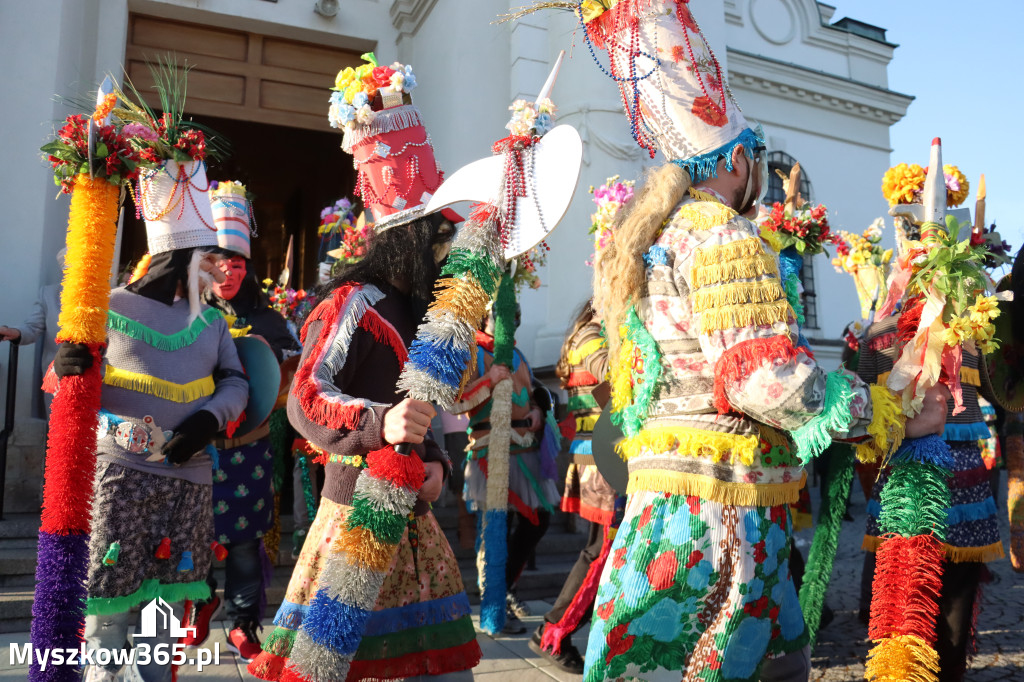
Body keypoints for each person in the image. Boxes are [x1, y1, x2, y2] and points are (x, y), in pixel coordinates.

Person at [551, 3, 946, 680]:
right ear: (738, 158)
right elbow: (765, 379)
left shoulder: (649, 241)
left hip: (661, 508)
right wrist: (889, 413)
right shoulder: (722, 234)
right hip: (719, 520)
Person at [247, 54, 480, 681]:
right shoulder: (354, 303)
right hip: (355, 519)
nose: (448, 250)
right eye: (439, 237)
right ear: (411, 237)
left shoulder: (429, 316)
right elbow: (305, 398)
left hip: (418, 526)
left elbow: (429, 419)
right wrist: (382, 421)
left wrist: (438, 465)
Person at [61, 155, 249, 682]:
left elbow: (236, 382)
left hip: (187, 482)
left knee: (161, 623)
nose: (216, 269)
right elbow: (65, 388)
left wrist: (208, 421)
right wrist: (67, 365)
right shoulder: (104, 305)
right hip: (118, 479)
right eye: (206, 258)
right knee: (106, 618)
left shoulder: (211, 323)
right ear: (179, 258)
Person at [179, 180, 299, 661]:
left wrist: (279, 372)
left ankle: (244, 622)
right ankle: (201, 605)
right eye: (219, 261)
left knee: (246, 542)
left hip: (250, 447)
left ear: (248, 268)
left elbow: (292, 377)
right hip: (197, 448)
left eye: (238, 263)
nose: (228, 270)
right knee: (195, 536)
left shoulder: (271, 321)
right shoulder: (184, 314)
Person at [858, 310, 1003, 680]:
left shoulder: (878, 332)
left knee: (900, 591)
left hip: (903, 473)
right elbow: (1002, 391)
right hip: (958, 475)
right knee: (945, 596)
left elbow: (862, 405)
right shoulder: (971, 328)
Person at [451, 307, 560, 635]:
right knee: (494, 528)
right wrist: (488, 379)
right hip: (490, 450)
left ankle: (505, 587)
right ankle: (493, 604)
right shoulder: (473, 350)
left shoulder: (518, 353)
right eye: (500, 315)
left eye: (513, 316)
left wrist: (540, 410)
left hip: (525, 450)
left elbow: (535, 392)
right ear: (486, 318)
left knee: (539, 520)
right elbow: (456, 402)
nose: (508, 321)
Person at [530, 299, 620, 673]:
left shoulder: (595, 334)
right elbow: (615, 379)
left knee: (604, 551)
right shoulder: (591, 337)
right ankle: (553, 631)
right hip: (605, 464)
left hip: (605, 459)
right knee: (602, 551)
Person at [0, 249, 65, 412]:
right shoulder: (49, 294)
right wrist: (16, 333)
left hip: (95, 377)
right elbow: (33, 327)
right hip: (57, 375)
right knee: (58, 431)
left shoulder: (106, 295)